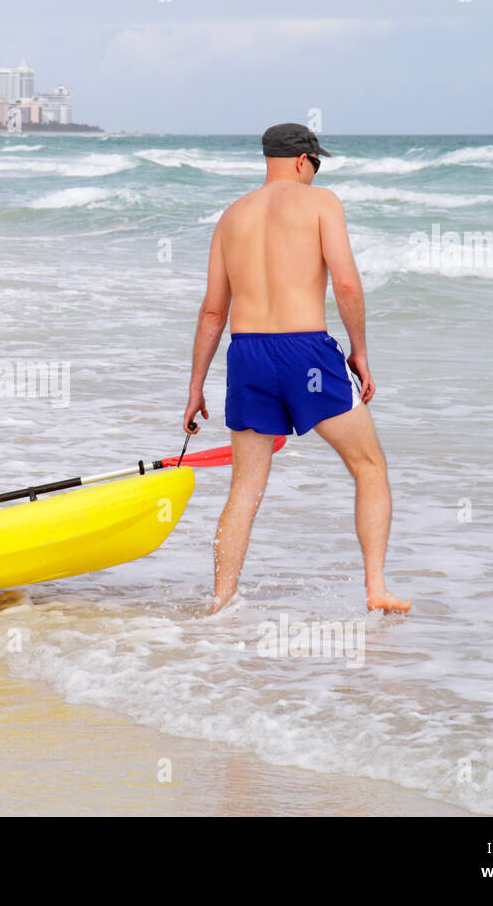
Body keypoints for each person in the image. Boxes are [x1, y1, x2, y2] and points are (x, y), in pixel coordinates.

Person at [183, 122, 410, 615]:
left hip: (246, 355)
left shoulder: (231, 217)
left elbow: (212, 312)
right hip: (305, 351)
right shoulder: (322, 202)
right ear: (304, 161)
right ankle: (376, 588)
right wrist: (360, 352)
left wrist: (196, 386)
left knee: (244, 487)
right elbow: (347, 285)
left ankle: (221, 601)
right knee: (369, 466)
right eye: (316, 164)